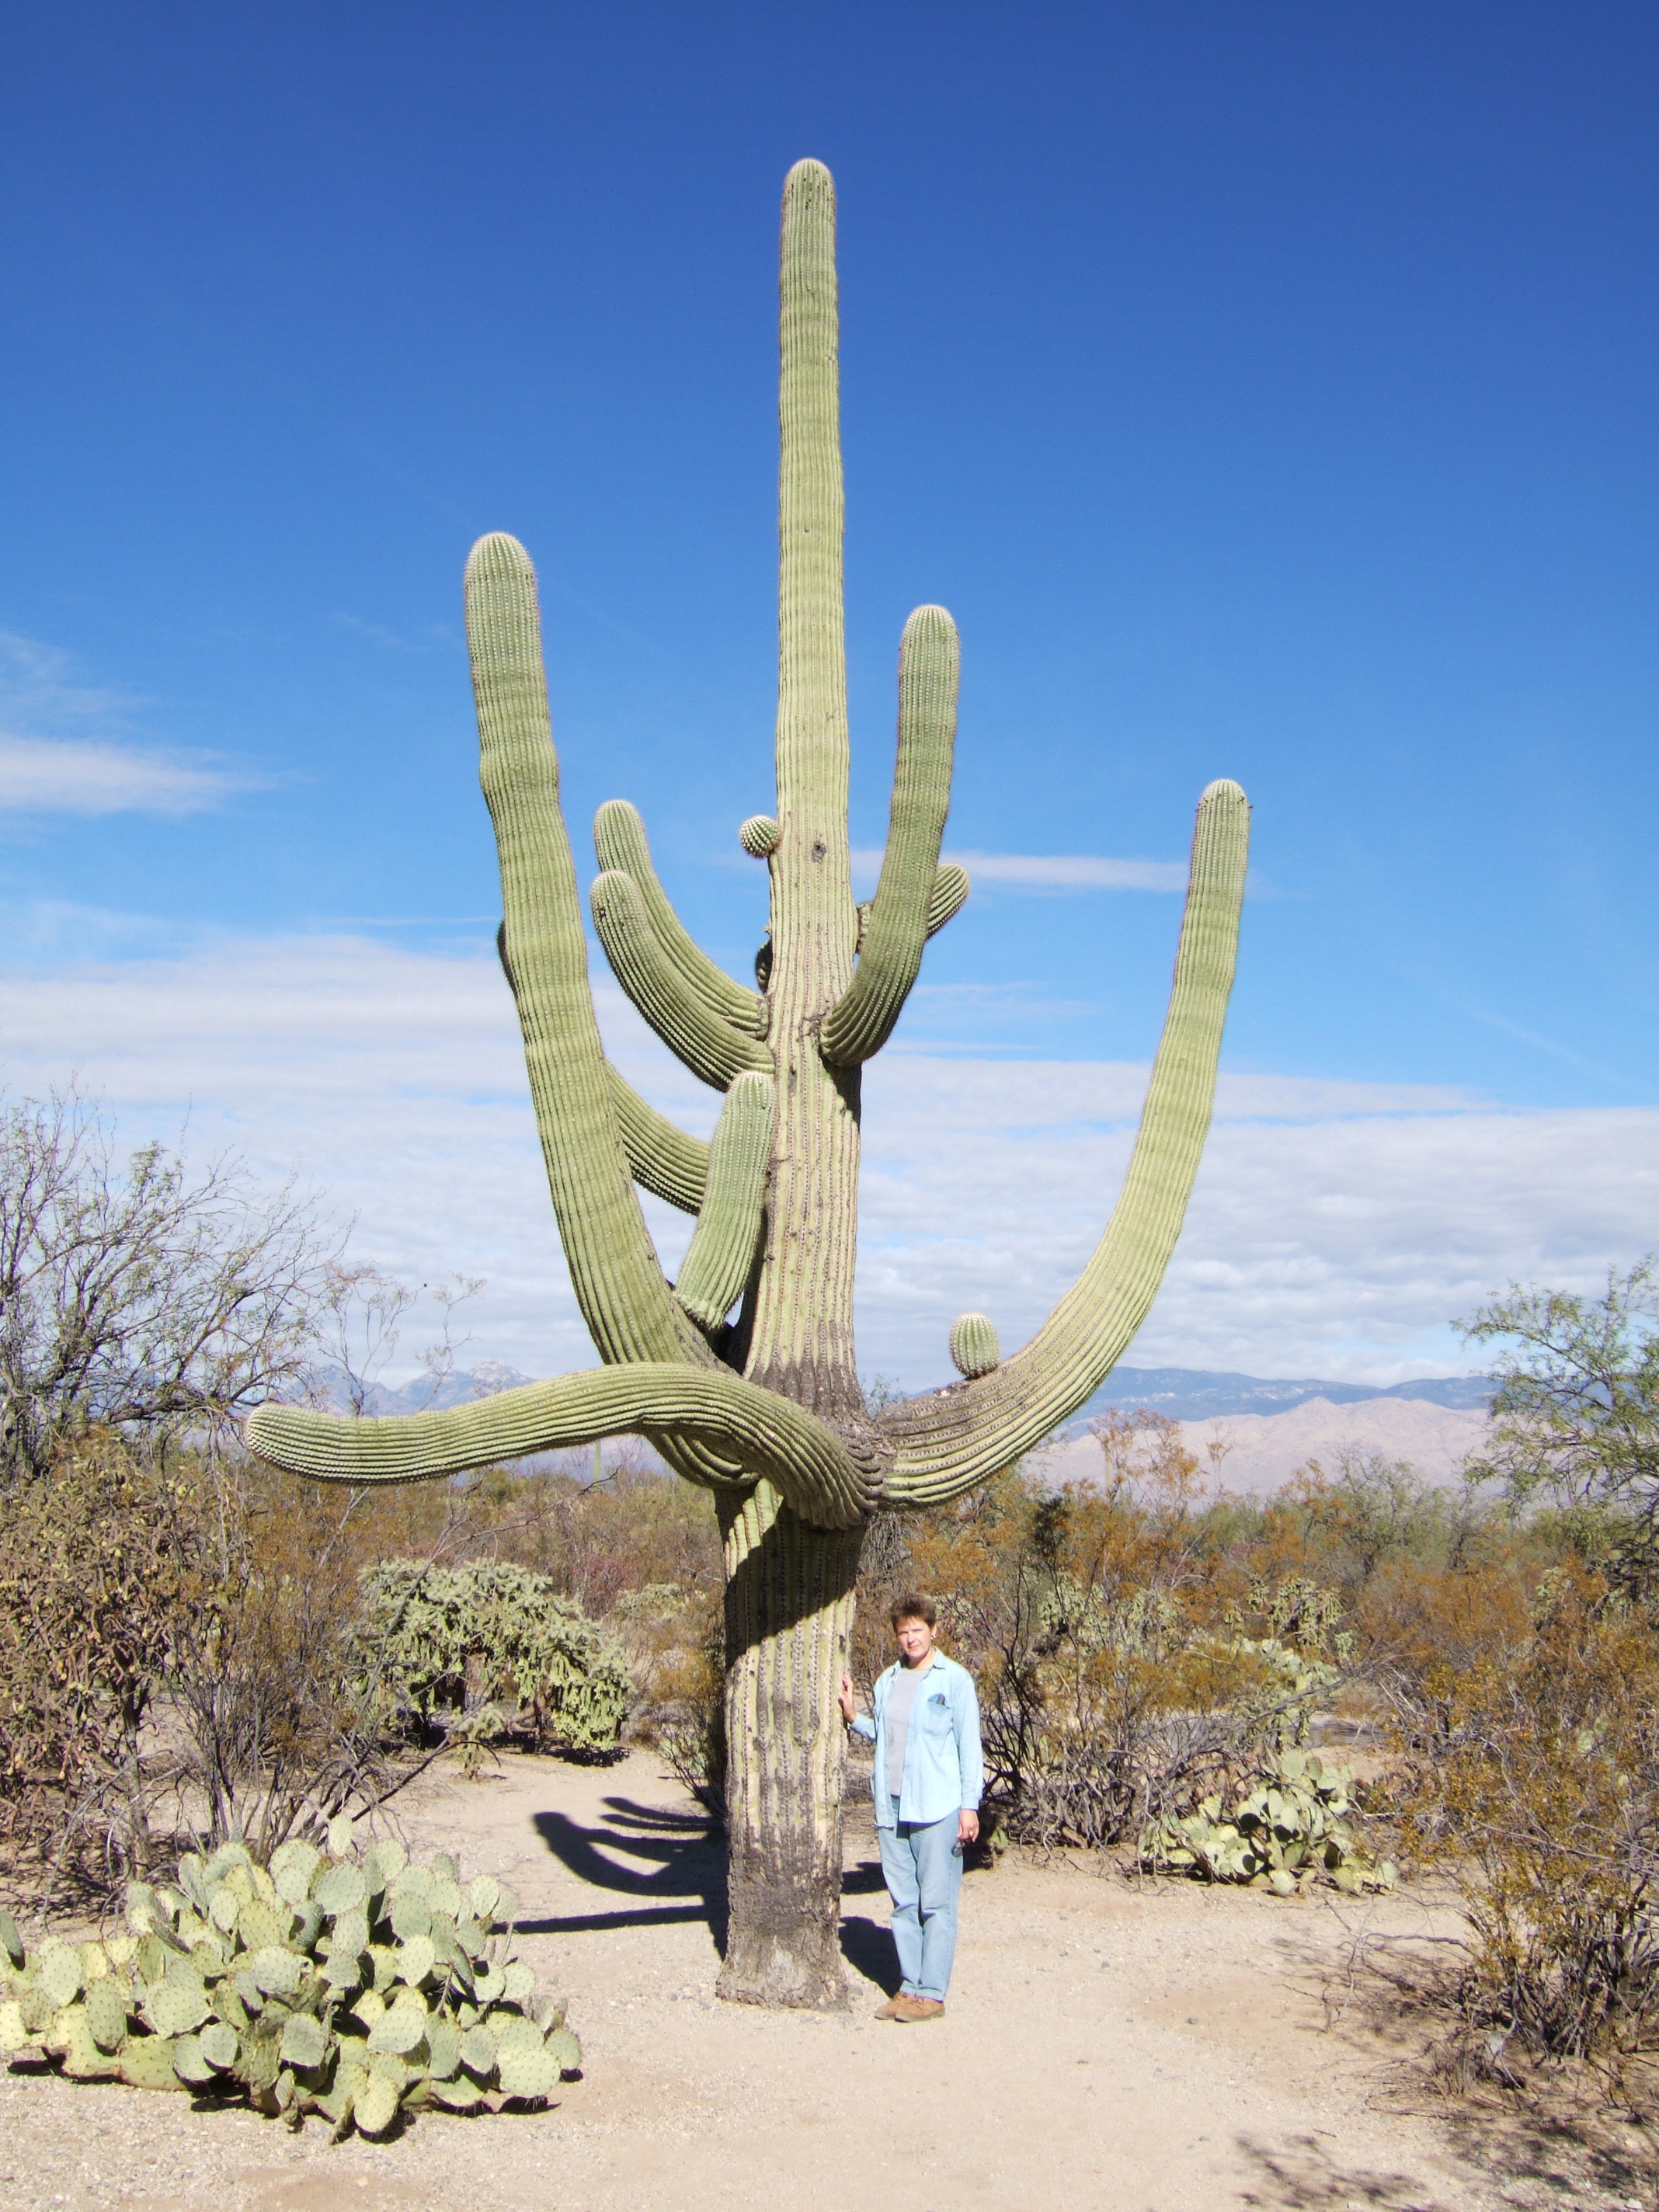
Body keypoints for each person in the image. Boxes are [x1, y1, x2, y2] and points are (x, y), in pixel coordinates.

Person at [838, 1592, 983, 2022]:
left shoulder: (954, 1680)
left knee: (937, 1902)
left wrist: (968, 1807)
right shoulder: (887, 1680)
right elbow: (885, 1734)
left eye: (918, 1630)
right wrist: (852, 1715)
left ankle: (932, 1994)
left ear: (934, 1631)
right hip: (892, 1804)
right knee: (903, 1902)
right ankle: (909, 1987)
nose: (911, 1638)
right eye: (903, 1632)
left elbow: (969, 1748)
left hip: (937, 1806)